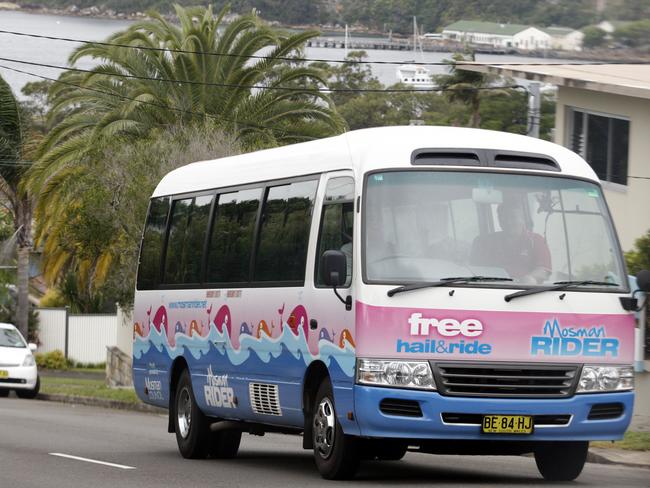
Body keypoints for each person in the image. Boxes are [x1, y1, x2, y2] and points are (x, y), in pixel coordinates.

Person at [470, 201, 551, 284]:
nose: (508, 222)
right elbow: (474, 270)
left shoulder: (536, 240)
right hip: (491, 287)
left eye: (513, 217)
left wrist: (530, 277)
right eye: (503, 218)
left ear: (523, 219)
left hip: (524, 290)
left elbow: (544, 271)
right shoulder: (485, 242)